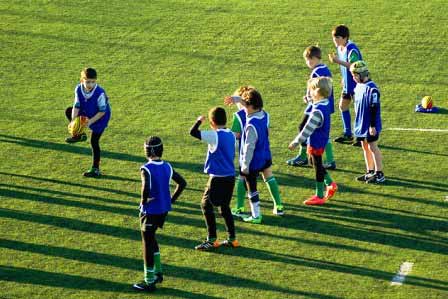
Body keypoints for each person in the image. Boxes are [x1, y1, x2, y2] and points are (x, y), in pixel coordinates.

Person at [133, 136, 187, 292]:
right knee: (152, 238)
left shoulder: (146, 168)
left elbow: (146, 187)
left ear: (147, 151)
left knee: (147, 244)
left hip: (150, 211)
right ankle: (158, 273)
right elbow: (182, 183)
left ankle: (149, 281)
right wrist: (171, 200)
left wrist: (144, 200)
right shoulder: (168, 166)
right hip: (163, 210)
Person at [224, 86, 284, 217]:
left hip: (248, 157)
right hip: (265, 152)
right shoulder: (264, 114)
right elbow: (267, 132)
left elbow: (237, 135)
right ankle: (278, 205)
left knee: (242, 179)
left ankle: (239, 207)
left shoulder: (239, 116)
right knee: (269, 176)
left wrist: (226, 133)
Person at [190, 107, 240, 250]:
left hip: (217, 178)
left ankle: (211, 240)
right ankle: (232, 239)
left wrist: (198, 121)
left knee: (206, 205)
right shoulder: (231, 135)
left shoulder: (214, 135)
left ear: (212, 122)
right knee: (224, 208)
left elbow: (193, 132)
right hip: (230, 177)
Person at [288, 77, 338, 205]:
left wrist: (296, 142)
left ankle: (319, 195)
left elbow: (307, 130)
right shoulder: (325, 102)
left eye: (311, 90)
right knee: (312, 161)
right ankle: (330, 183)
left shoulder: (316, 112)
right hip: (321, 139)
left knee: (317, 166)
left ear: (317, 92)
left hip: (316, 141)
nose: (309, 92)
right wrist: (310, 100)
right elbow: (316, 102)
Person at [287, 45, 336, 169]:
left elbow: (314, 91)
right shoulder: (326, 69)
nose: (307, 63)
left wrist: (308, 98)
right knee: (324, 132)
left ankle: (302, 156)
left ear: (314, 58)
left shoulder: (316, 72)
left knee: (303, 127)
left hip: (316, 106)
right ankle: (330, 159)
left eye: (308, 60)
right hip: (326, 104)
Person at [65, 67, 111, 177]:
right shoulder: (78, 89)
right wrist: (73, 122)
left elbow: (102, 112)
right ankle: (79, 135)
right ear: (82, 81)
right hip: (86, 110)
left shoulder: (99, 92)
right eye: (88, 82)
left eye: (93, 82)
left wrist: (89, 123)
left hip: (100, 117)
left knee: (94, 142)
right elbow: (76, 106)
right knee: (68, 111)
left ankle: (95, 169)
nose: (90, 84)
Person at [237, 89, 274, 223]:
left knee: (252, 189)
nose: (243, 109)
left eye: (244, 106)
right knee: (267, 179)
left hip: (253, 162)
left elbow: (249, 147)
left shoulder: (250, 125)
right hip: (265, 156)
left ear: (250, 106)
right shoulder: (264, 115)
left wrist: (245, 165)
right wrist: (238, 99)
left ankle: (256, 215)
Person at [349, 61, 385, 184]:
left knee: (372, 146)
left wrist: (372, 125)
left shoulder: (372, 89)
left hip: (370, 124)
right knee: (365, 147)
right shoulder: (358, 86)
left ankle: (379, 174)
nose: (353, 78)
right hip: (361, 123)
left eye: (355, 75)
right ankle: (370, 171)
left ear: (362, 74)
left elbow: (374, 108)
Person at [328, 25, 363, 146]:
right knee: (343, 106)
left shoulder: (351, 49)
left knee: (359, 110)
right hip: (348, 84)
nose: (335, 41)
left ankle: (360, 136)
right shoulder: (340, 48)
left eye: (337, 38)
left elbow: (354, 65)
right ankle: (348, 134)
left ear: (345, 38)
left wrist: (337, 61)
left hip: (357, 84)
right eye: (334, 38)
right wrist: (343, 78)